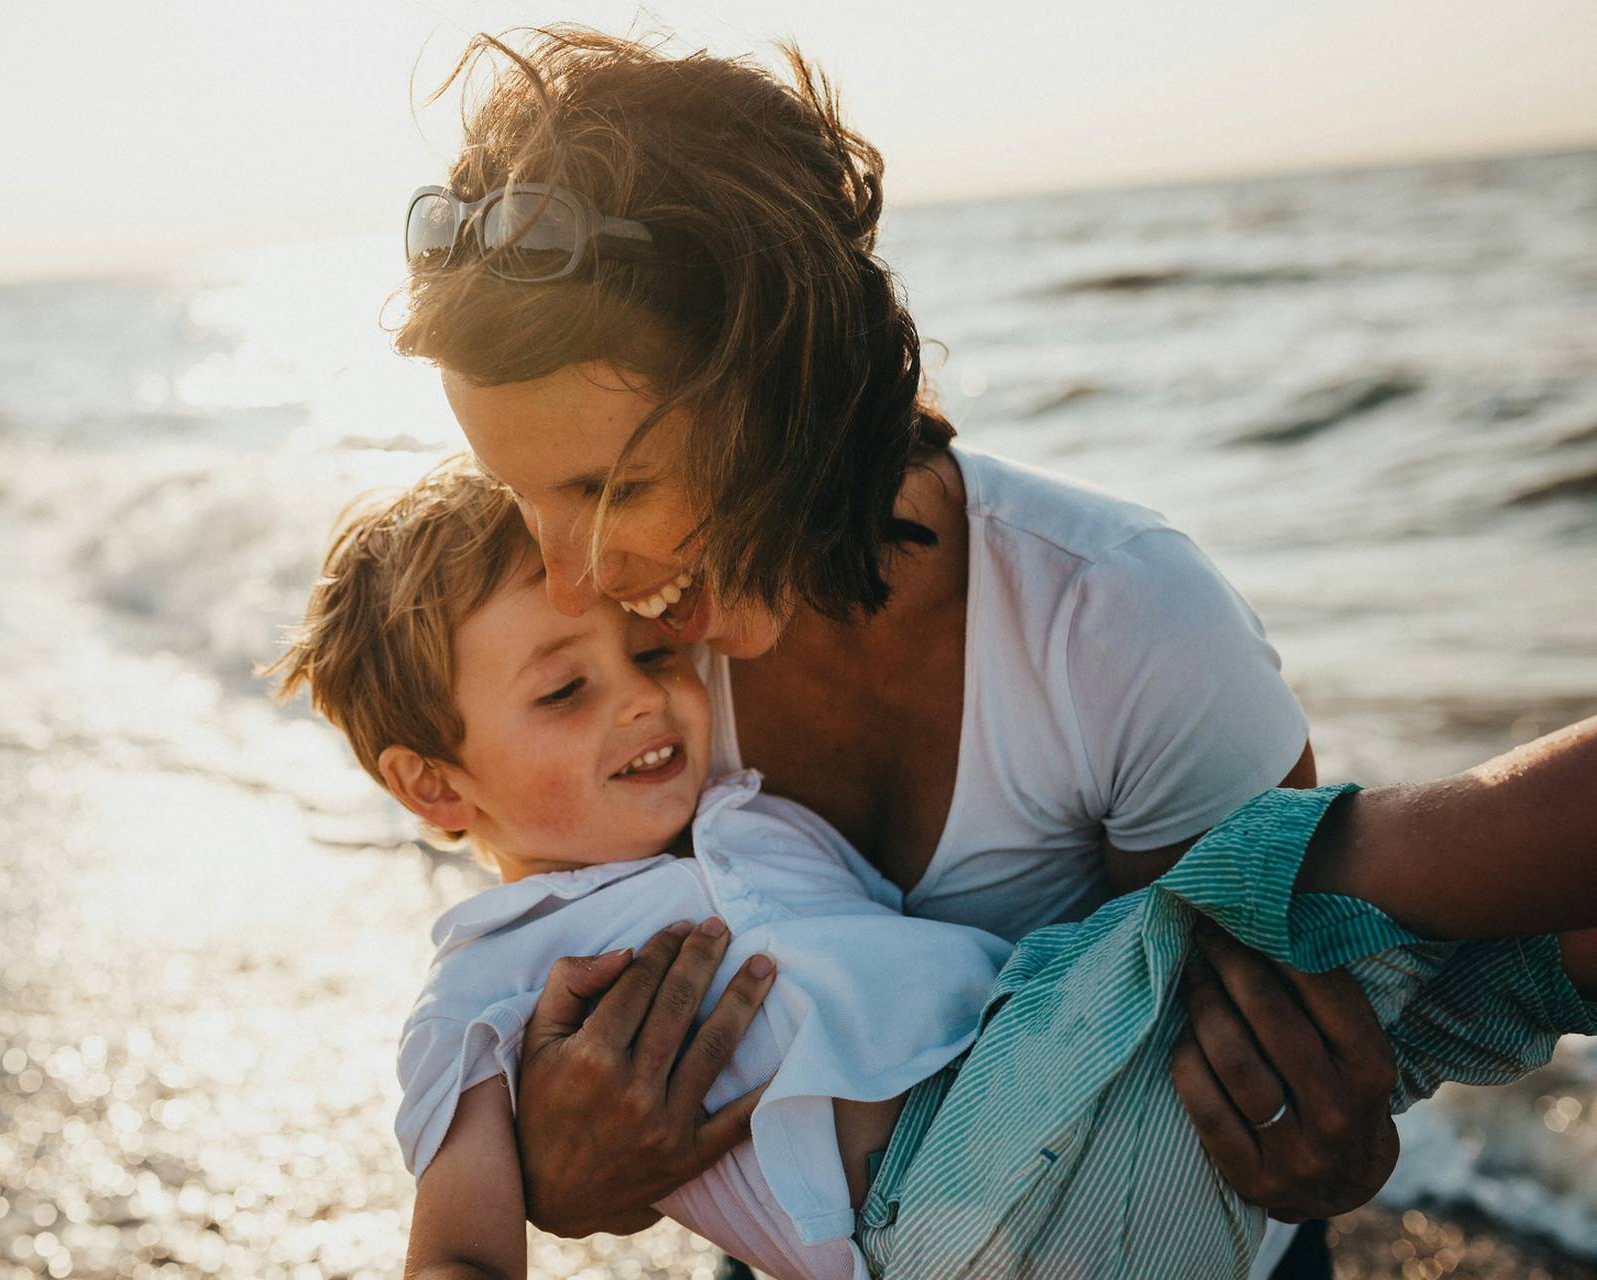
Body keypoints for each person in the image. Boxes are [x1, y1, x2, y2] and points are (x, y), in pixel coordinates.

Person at [394, 26, 1393, 1276]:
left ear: (788, 390)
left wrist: (1334, 1144)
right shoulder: (625, 669)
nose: (573, 575)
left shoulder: (1123, 625)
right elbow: (563, 942)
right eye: (520, 495)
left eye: (613, 485)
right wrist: (566, 1165)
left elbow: (1281, 1053)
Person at [266, 462, 1597, 1280]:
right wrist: (548, 1184)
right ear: (434, 785)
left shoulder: (745, 811)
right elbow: (455, 1243)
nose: (646, 702)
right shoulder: (486, 982)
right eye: (565, 688)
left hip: (1117, 1163)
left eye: (654, 654)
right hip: (949, 1205)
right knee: (1299, 882)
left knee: (1465, 974)